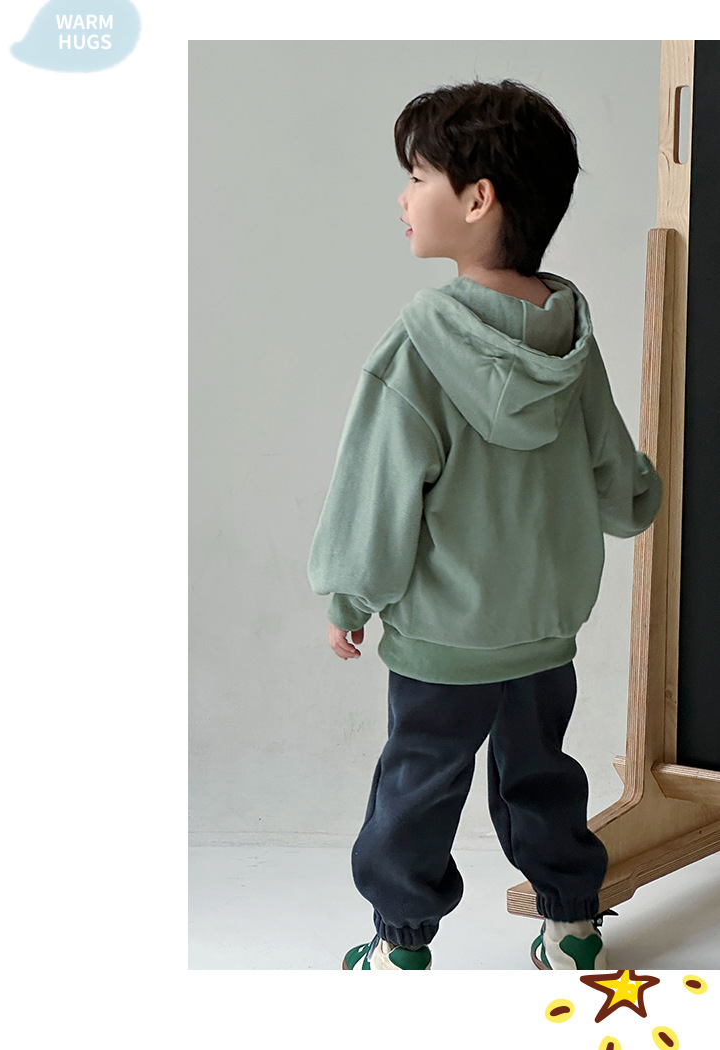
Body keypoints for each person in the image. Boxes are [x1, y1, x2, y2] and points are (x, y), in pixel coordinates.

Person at [306, 79, 662, 971]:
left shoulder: (417, 348)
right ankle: (572, 924)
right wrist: (639, 502)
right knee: (541, 774)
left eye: (417, 176)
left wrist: (349, 595)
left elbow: (376, 490)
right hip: (543, 626)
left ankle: (400, 945)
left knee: (420, 783)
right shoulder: (568, 339)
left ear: (477, 200)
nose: (402, 196)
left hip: (445, 638)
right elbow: (613, 465)